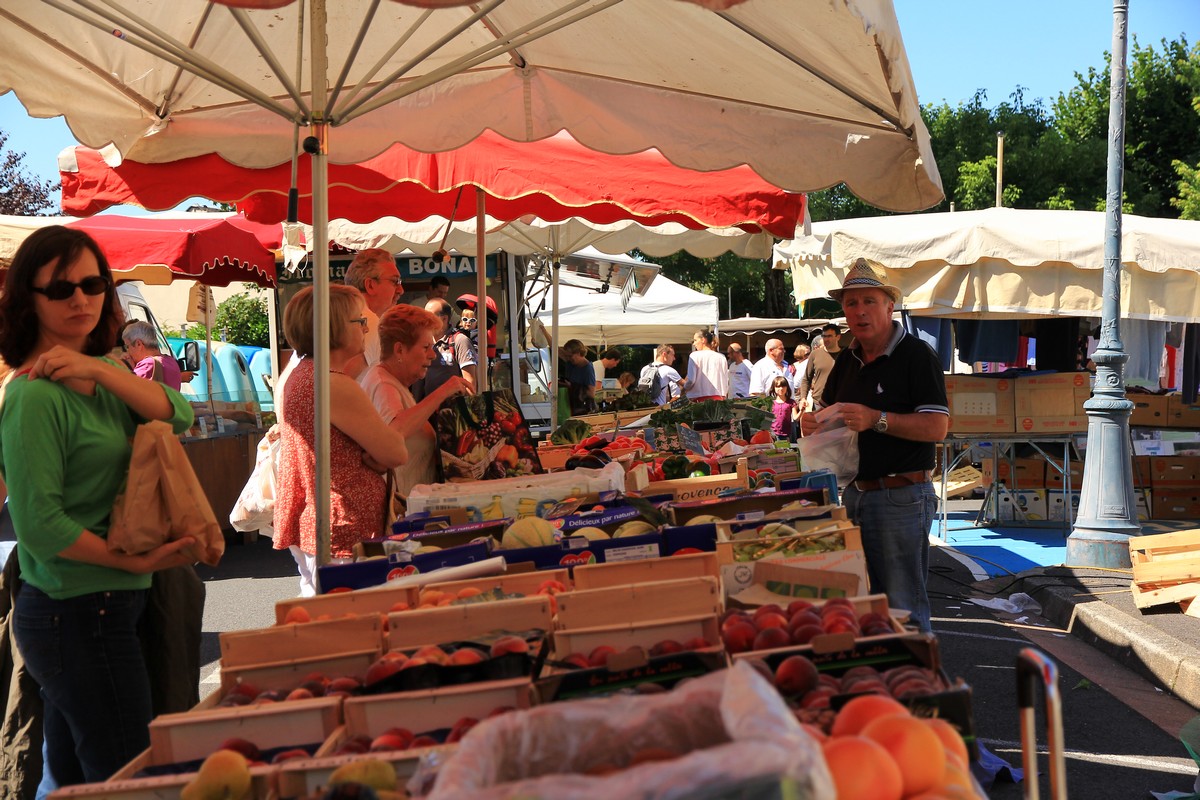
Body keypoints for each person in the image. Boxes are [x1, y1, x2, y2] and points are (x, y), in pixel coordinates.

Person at [0, 226, 198, 788]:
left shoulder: (101, 376)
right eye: (61, 289)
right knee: (130, 777)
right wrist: (132, 562)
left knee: (78, 780)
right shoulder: (33, 396)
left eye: (94, 284)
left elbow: (175, 414)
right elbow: (39, 526)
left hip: (106, 605)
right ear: (28, 299)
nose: (81, 299)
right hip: (76, 610)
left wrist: (93, 368)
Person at [799, 259, 948, 633]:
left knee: (903, 612)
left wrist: (876, 418)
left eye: (869, 300)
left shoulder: (917, 355)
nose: (860, 311)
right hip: (854, 494)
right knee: (863, 606)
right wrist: (813, 424)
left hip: (902, 494)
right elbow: (830, 417)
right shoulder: (845, 361)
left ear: (889, 306)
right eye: (851, 303)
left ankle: (917, 687)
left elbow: (938, 426)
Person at [273, 285, 409, 596]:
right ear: (332, 327)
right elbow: (395, 452)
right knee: (351, 625)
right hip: (345, 526)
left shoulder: (300, 375)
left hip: (322, 519)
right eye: (358, 321)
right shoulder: (332, 382)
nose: (365, 328)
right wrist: (374, 455)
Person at [360, 305, 473, 497]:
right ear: (400, 350)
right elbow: (394, 433)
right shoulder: (383, 384)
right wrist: (443, 391)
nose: (432, 354)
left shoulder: (393, 381)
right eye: (426, 347)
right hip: (400, 511)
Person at [342, 248, 404, 379]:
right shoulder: (367, 322)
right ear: (370, 285)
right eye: (395, 281)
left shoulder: (341, 315)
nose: (401, 290)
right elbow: (338, 381)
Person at [415, 297, 475, 397]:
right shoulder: (424, 342)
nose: (425, 321)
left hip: (452, 410)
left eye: (430, 316)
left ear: (444, 318)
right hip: (427, 409)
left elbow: (470, 386)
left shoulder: (460, 341)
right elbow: (418, 382)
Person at [120, 320, 183, 391]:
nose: (127, 351)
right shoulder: (171, 361)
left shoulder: (148, 365)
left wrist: (127, 368)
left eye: (127, 346)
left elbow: (126, 392)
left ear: (138, 344)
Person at [798, 324, 843, 411]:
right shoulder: (815, 354)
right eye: (824, 336)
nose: (826, 339)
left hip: (840, 403)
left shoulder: (845, 355)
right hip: (819, 403)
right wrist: (803, 398)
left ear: (838, 337)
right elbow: (806, 379)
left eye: (829, 336)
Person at [680, 330, 730, 401]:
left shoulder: (694, 355)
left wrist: (684, 388)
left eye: (695, 340)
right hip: (718, 398)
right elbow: (725, 380)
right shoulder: (721, 357)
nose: (694, 344)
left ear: (703, 340)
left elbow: (691, 380)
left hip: (698, 398)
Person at [559, 339, 597, 415]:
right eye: (567, 356)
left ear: (578, 353)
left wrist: (571, 386)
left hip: (582, 411)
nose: (568, 358)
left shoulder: (588, 369)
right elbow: (556, 349)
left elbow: (591, 393)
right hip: (571, 407)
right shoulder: (571, 362)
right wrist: (543, 330)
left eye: (570, 356)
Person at [768, 375, 799, 440]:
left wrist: (802, 410)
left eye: (783, 386)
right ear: (774, 388)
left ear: (787, 387)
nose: (781, 388)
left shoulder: (791, 402)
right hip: (773, 435)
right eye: (778, 386)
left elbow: (795, 418)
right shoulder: (770, 402)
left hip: (786, 434)